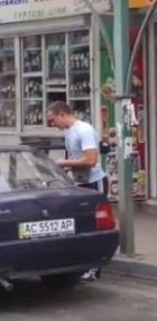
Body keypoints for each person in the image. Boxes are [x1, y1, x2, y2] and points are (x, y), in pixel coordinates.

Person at [46, 101, 108, 282]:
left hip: (93, 182)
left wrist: (64, 163)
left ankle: (94, 268)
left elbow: (90, 160)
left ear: (62, 114)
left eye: (53, 120)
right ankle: (82, 263)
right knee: (79, 225)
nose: (52, 124)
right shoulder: (69, 133)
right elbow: (74, 158)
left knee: (94, 225)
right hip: (79, 183)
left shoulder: (84, 130)